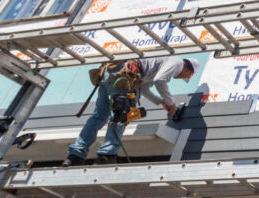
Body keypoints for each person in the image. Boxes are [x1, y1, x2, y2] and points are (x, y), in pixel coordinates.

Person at [63, 56, 199, 166]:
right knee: (120, 117)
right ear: (188, 71)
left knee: (99, 116)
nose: (182, 77)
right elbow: (160, 80)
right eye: (185, 76)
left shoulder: (158, 64)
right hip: (125, 75)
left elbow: (145, 88)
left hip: (110, 72)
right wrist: (171, 103)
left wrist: (161, 102)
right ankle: (107, 156)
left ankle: (75, 155)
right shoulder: (177, 62)